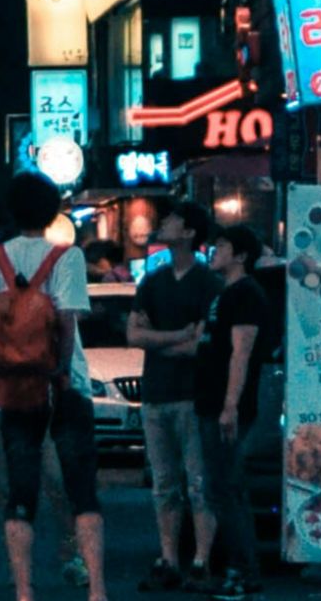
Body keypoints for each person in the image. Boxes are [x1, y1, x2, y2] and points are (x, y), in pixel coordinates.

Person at [0, 171, 106, 601]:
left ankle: (24, 592)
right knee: (82, 490)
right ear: (52, 212)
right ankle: (96, 589)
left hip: (13, 390)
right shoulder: (67, 257)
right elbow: (66, 319)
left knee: (20, 493)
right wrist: (60, 374)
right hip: (65, 385)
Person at [127, 198, 220, 592]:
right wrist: (179, 335)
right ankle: (169, 557)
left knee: (199, 482)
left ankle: (200, 559)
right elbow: (133, 335)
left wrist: (158, 341)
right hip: (157, 392)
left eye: (174, 219)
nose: (164, 223)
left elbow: (199, 344)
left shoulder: (207, 282)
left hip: (192, 393)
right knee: (166, 481)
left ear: (190, 232)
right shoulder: (153, 281)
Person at [194, 226, 271, 600]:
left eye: (222, 245)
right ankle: (240, 569)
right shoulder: (225, 294)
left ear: (240, 255)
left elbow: (241, 353)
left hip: (226, 407)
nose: (214, 250)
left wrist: (230, 406)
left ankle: (242, 571)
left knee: (223, 488)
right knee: (225, 488)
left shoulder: (246, 294)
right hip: (210, 402)